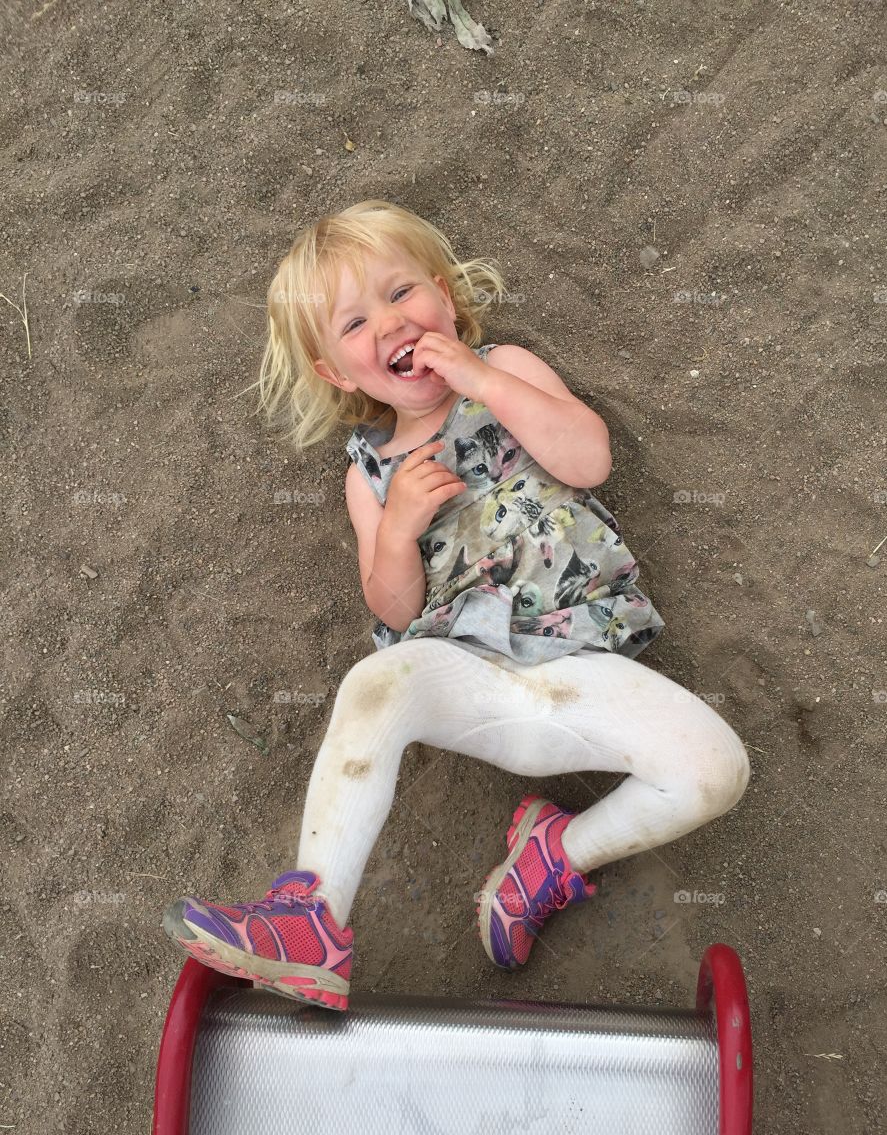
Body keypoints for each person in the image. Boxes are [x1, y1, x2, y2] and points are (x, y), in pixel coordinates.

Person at [162, 199, 751, 1012]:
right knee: (375, 685)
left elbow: (589, 458)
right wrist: (398, 529)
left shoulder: (506, 370)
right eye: (355, 322)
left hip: (579, 664)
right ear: (337, 372)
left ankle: (558, 854)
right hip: (465, 673)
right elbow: (395, 610)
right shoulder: (370, 471)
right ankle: (311, 918)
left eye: (403, 293)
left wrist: (482, 379)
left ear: (444, 296)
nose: (391, 324)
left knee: (717, 768)